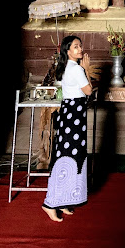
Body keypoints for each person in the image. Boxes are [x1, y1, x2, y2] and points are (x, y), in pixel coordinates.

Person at [42, 35, 92, 222]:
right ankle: (49, 204)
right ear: (68, 51)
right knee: (69, 155)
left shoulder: (64, 68)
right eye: (76, 47)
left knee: (68, 154)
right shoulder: (77, 69)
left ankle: (63, 201)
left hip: (69, 113)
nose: (80, 49)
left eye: (80, 46)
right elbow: (88, 91)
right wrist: (86, 70)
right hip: (75, 115)